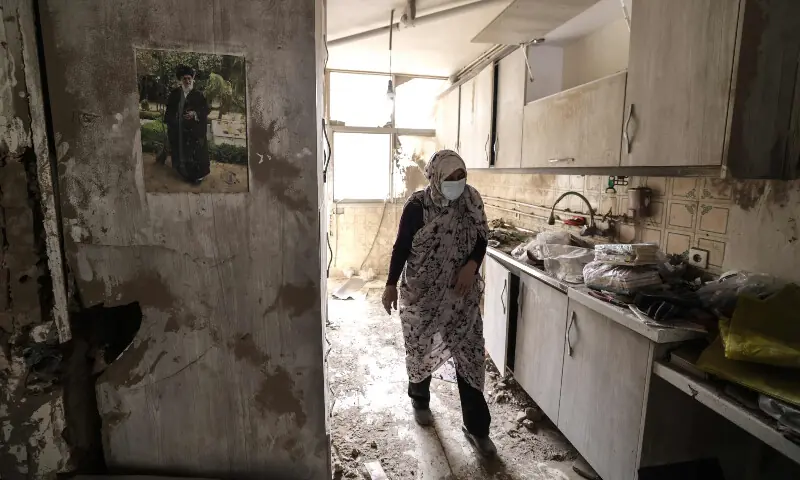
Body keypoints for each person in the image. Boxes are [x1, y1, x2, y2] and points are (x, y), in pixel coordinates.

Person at [382, 149, 495, 457]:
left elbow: (482, 236)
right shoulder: (418, 207)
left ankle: (478, 428)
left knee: (470, 354)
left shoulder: (471, 200)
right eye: (451, 177)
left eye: (462, 175)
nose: (458, 182)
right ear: (435, 177)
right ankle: (419, 398)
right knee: (420, 345)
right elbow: (402, 246)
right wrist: (390, 284)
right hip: (423, 292)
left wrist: (473, 264)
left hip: (461, 295)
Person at [164, 65, 210, 185]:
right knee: (181, 152)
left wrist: (195, 113)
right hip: (179, 129)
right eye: (185, 79)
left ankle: (197, 176)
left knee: (195, 154)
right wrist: (172, 123)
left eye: (189, 78)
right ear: (181, 80)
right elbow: (168, 111)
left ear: (192, 80)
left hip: (194, 131)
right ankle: (184, 173)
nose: (187, 81)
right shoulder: (175, 94)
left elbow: (206, 110)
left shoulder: (198, 94)